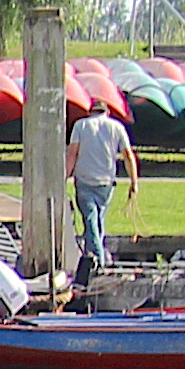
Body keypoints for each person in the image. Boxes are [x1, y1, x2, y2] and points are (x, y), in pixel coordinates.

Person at [67, 100, 129, 274]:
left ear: (90, 112)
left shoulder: (81, 126)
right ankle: (93, 257)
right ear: (106, 112)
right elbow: (128, 155)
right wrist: (134, 182)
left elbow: (73, 152)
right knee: (97, 220)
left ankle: (96, 259)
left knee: (90, 220)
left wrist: (64, 176)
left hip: (85, 180)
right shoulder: (117, 127)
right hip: (106, 182)